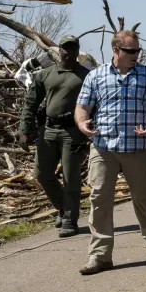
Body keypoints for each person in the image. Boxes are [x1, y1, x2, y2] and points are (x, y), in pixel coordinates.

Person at [74, 30, 146, 275]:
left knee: (144, 196)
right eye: (130, 51)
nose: (136, 55)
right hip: (103, 146)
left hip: (138, 147)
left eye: (137, 50)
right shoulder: (95, 76)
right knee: (99, 199)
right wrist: (82, 123)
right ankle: (100, 255)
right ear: (115, 50)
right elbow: (82, 106)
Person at [17, 35, 91, 237]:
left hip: (73, 131)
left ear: (78, 51)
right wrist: (24, 130)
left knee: (71, 177)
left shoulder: (86, 76)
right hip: (48, 130)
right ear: (59, 50)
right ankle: (62, 206)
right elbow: (30, 104)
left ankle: (70, 219)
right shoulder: (45, 75)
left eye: (73, 48)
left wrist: (92, 129)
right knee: (42, 174)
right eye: (65, 48)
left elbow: (97, 104)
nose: (68, 52)